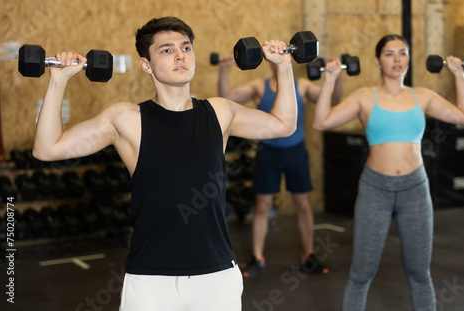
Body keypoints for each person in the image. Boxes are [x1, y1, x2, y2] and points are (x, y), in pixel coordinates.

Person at [32, 17, 299, 311]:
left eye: (186, 47)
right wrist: (57, 81)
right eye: (167, 50)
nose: (180, 55)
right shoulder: (126, 119)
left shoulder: (219, 113)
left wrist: (283, 67)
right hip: (150, 281)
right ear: (146, 64)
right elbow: (47, 149)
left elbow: (283, 125)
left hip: (217, 275)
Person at [312, 34, 464, 311]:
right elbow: (321, 122)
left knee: (420, 273)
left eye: (402, 52)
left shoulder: (421, 95)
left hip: (415, 190)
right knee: (361, 273)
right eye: (389, 54)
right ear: (377, 61)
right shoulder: (364, 96)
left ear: (409, 59)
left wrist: (459, 75)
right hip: (375, 190)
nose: (397, 59)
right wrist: (329, 81)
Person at [217, 54, 343, 277]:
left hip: (296, 151)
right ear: (268, 61)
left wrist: (337, 75)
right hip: (268, 153)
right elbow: (226, 97)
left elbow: (333, 100)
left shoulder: (302, 86)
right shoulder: (259, 86)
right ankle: (257, 258)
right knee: (263, 205)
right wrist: (224, 70)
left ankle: (308, 256)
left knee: (302, 204)